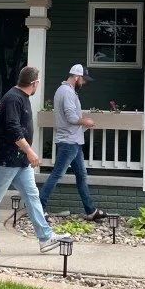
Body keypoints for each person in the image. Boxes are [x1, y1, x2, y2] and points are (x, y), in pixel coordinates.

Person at [0, 65, 72, 255]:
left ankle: (45, 238)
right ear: (34, 83)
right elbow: (12, 129)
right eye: (38, 82)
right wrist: (30, 152)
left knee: (32, 196)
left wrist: (26, 155)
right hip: (6, 159)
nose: (39, 86)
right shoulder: (12, 99)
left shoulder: (22, 98)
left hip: (19, 162)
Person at [40, 64, 106, 221]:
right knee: (56, 175)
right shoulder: (67, 93)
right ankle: (39, 208)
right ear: (77, 77)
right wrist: (86, 121)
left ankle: (91, 211)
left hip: (73, 142)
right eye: (83, 80)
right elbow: (70, 117)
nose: (84, 83)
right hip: (68, 142)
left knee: (81, 175)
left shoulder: (64, 91)